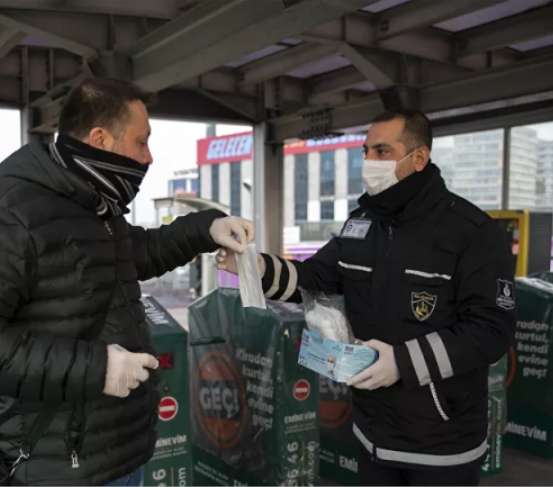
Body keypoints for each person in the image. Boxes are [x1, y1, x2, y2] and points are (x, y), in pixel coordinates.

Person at [0, 77, 254, 486]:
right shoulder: (7, 213)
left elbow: (139, 252)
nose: (149, 158)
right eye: (141, 141)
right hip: (59, 465)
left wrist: (208, 229)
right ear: (100, 139)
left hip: (118, 454)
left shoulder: (90, 207)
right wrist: (96, 368)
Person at [217, 109, 516, 486]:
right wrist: (252, 265)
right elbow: (313, 278)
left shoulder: (472, 233)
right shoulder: (361, 224)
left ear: (419, 158)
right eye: (365, 152)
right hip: (372, 434)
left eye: (382, 151)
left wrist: (401, 362)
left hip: (442, 444)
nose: (369, 163)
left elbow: (492, 330)